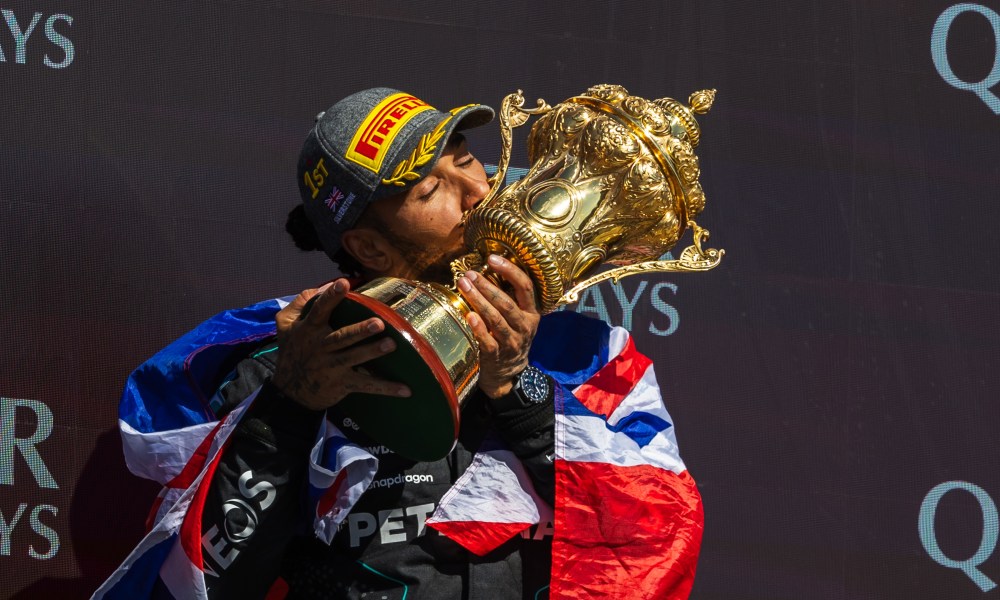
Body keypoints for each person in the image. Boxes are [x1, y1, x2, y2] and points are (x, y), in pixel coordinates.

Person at [96, 88, 704, 600]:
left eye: (464, 158)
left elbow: (653, 547)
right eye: (428, 190)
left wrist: (518, 385)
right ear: (370, 249)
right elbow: (196, 582)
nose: (474, 191)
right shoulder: (289, 357)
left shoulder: (590, 355)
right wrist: (288, 407)